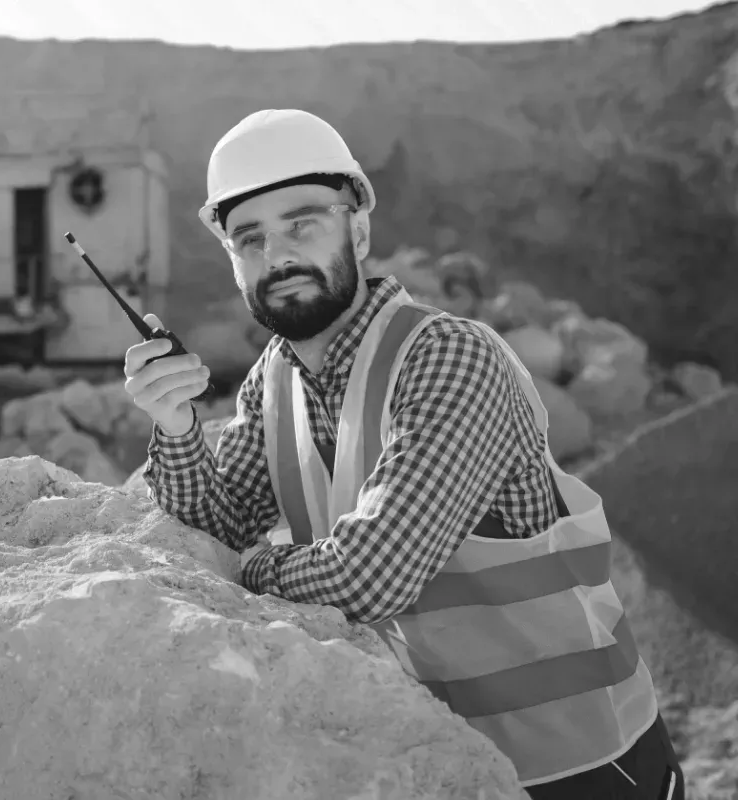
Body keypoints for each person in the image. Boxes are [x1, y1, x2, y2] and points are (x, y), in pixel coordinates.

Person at [123, 109, 685, 799]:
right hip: (439, 763)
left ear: (357, 228)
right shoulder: (275, 379)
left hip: (584, 767)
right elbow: (207, 530)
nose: (278, 257)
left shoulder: (449, 356)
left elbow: (370, 576)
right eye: (250, 239)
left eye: (303, 224)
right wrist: (176, 427)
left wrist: (248, 569)